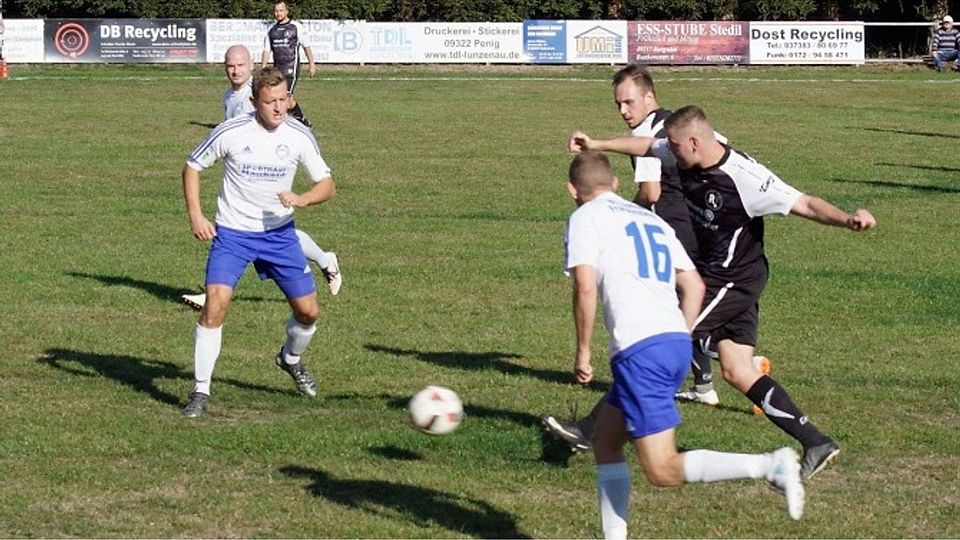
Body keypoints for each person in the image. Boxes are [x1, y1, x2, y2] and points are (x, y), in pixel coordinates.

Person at [568, 105, 877, 479]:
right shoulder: (681, 152)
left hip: (732, 278)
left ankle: (589, 430)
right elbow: (647, 145)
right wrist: (597, 143)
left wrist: (848, 220)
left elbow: (805, 203)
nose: (671, 154)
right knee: (736, 369)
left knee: (659, 337)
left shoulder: (746, 178)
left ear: (695, 142)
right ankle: (817, 442)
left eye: (676, 148)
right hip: (724, 275)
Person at [563, 151, 804, 538]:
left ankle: (768, 465)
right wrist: (677, 332)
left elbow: (585, 286)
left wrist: (583, 352)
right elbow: (694, 285)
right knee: (606, 443)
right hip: (674, 342)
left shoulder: (584, 218)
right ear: (616, 184)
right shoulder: (648, 219)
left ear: (572, 190)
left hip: (641, 351)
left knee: (662, 469)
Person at [541, 65, 766, 453]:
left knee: (670, 320)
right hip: (701, 233)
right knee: (685, 310)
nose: (624, 110)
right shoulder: (679, 126)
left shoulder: (649, 133)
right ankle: (706, 384)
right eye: (618, 104)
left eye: (629, 101)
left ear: (649, 97)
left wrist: (619, 217)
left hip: (670, 232)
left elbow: (650, 191)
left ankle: (726, 372)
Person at [180, 66, 336, 418]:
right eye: (270, 102)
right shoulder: (232, 131)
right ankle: (200, 391)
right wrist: (196, 216)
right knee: (215, 306)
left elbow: (327, 184)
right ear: (254, 102)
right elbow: (192, 166)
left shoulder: (298, 135)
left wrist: (302, 198)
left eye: (283, 100)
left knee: (309, 313)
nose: (279, 108)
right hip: (233, 234)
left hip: (279, 236)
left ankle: (290, 359)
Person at [182, 45, 341, 311]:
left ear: (251, 64)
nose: (235, 70)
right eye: (230, 66)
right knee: (243, 228)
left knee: (276, 231)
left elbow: (287, 106)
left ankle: (325, 260)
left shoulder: (257, 92)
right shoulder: (229, 97)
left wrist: (296, 120)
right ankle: (214, 295)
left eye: (241, 65)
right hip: (242, 191)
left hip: (273, 197)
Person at [261, 1, 316, 127]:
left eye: (281, 10)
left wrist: (311, 64)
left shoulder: (296, 27)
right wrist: (263, 67)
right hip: (277, 70)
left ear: (287, 11)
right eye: (276, 11)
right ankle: (300, 120)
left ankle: (298, 122)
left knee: (285, 96)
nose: (278, 13)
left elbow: (306, 46)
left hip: (291, 68)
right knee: (285, 98)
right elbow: (266, 50)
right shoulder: (271, 30)